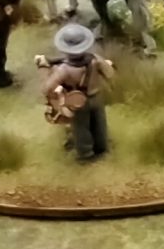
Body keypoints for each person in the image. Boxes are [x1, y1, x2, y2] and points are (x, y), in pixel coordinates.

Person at [39, 23, 116, 163]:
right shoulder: (95, 59)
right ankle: (101, 148)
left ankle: (86, 154)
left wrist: (44, 70)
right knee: (99, 123)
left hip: (78, 101)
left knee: (81, 127)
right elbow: (110, 73)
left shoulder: (64, 69)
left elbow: (47, 89)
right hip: (96, 97)